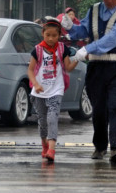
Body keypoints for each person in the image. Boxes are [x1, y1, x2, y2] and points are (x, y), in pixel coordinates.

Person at [61, 0, 116, 163]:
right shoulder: (94, 10)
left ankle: (115, 148)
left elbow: (113, 38)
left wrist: (87, 49)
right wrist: (70, 27)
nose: (108, 0)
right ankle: (100, 147)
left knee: (115, 106)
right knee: (99, 109)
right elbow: (83, 31)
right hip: (96, 68)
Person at [27, 19, 79, 162]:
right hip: (40, 92)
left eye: (54, 36)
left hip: (56, 89)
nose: (51, 38)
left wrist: (77, 60)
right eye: (48, 35)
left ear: (59, 36)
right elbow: (30, 70)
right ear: (43, 34)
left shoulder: (62, 49)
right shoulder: (37, 50)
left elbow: (67, 68)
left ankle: (52, 149)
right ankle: (44, 144)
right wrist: (36, 84)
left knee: (52, 118)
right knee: (42, 120)